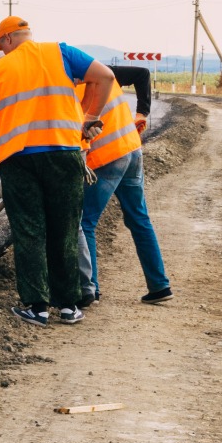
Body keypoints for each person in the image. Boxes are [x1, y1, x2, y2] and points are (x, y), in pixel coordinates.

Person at [0, 16, 114, 327]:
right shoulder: (62, 53)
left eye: (1, 47)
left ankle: (37, 308)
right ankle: (69, 307)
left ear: (7, 41)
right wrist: (88, 117)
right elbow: (106, 77)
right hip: (63, 153)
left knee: (29, 232)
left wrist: (2, 164)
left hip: (17, 158)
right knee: (65, 231)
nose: (2, 52)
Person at [75, 64, 171, 306]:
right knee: (139, 218)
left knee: (85, 221)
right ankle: (159, 286)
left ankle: (90, 289)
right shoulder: (102, 72)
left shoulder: (68, 88)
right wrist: (142, 113)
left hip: (108, 158)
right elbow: (142, 74)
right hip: (132, 149)